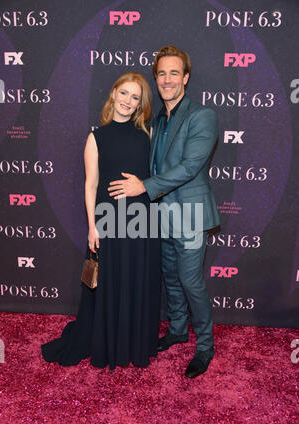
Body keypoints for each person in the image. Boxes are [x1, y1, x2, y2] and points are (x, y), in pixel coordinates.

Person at [108, 46, 220, 378]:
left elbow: (189, 167)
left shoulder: (202, 116)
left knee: (189, 280)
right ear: (155, 79)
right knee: (171, 279)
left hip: (189, 213)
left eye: (174, 73)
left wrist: (144, 186)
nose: (167, 79)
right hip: (161, 216)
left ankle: (205, 346)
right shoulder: (156, 120)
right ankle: (176, 330)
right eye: (161, 74)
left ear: (185, 78)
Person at [41, 72, 161, 370]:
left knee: (138, 280)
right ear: (113, 94)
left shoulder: (147, 134)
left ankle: (135, 342)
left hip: (141, 220)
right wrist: (92, 227)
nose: (128, 101)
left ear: (140, 104)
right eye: (124, 93)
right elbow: (90, 185)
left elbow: (157, 175)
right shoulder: (96, 137)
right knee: (110, 281)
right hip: (108, 220)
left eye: (135, 97)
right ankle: (109, 343)